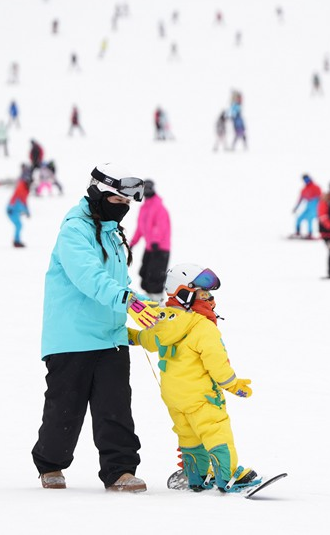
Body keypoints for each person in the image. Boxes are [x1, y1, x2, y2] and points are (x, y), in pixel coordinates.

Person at [32, 162, 154, 493]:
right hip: (72, 337)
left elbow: (120, 282)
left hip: (110, 338)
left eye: (128, 206)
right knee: (64, 411)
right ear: (98, 195)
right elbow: (88, 276)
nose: (123, 211)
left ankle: (120, 471)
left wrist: (151, 306)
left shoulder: (112, 233)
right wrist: (128, 301)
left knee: (116, 409)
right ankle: (50, 463)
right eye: (118, 203)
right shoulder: (74, 231)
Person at [130, 263, 259, 493]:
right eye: (203, 293)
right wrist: (233, 385)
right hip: (202, 397)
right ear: (183, 293)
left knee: (189, 436)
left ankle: (196, 475)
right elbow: (217, 364)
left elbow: (146, 339)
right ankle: (228, 476)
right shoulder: (202, 327)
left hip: (174, 398)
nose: (209, 299)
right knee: (215, 430)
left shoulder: (162, 322)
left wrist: (127, 335)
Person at [130, 179, 171, 302]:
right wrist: (132, 242)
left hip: (160, 248)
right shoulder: (144, 208)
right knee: (144, 272)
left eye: (149, 188)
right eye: (145, 189)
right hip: (150, 247)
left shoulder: (159, 207)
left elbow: (160, 226)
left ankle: (157, 299)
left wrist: (155, 241)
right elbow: (140, 228)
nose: (147, 191)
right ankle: (148, 298)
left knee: (156, 274)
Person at [7, 177, 30, 247]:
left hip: (15, 211)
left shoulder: (25, 190)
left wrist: (27, 211)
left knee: (19, 225)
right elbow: (16, 199)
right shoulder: (21, 188)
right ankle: (16, 241)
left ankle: (17, 240)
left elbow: (24, 202)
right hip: (12, 210)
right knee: (19, 225)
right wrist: (11, 207)